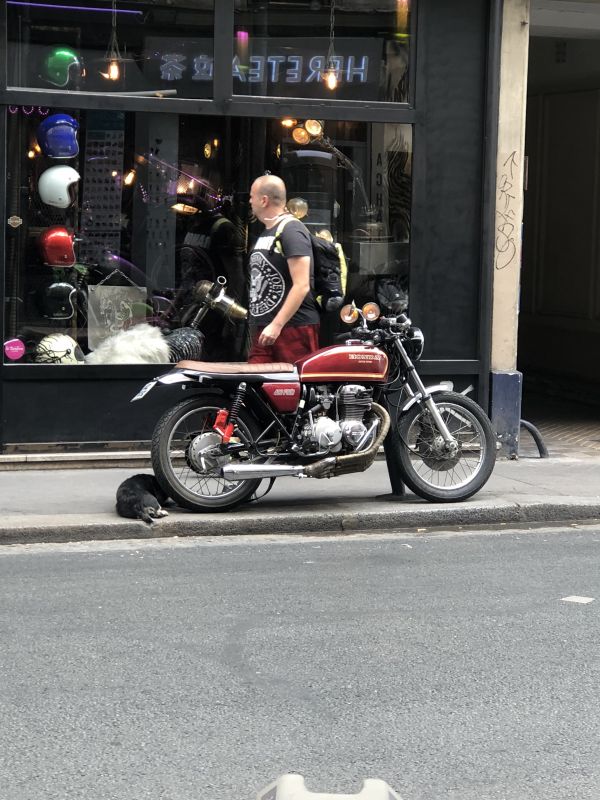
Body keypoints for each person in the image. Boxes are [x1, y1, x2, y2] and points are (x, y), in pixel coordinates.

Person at [247, 175, 320, 363]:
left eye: (252, 196)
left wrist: (276, 325)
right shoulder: (269, 230)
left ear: (264, 200)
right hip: (267, 329)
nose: (250, 201)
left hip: (293, 329)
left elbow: (302, 285)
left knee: (291, 389)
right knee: (257, 388)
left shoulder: (292, 230)